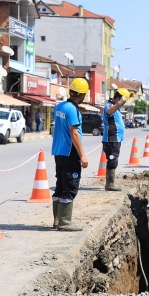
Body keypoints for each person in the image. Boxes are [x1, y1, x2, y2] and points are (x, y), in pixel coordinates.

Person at [51, 78, 89, 231]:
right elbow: (74, 134)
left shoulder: (59, 106)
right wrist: (83, 155)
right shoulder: (73, 109)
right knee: (70, 187)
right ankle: (65, 222)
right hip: (69, 153)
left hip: (58, 152)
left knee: (60, 186)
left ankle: (57, 220)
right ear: (82, 95)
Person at [102, 88, 134, 191]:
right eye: (122, 101)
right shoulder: (110, 106)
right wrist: (119, 103)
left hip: (116, 138)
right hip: (111, 138)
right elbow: (109, 112)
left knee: (114, 158)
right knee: (112, 159)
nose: (123, 103)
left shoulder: (116, 107)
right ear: (118, 98)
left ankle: (110, 183)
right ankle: (110, 184)